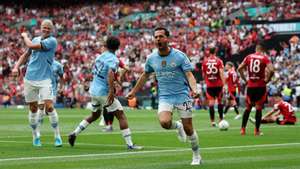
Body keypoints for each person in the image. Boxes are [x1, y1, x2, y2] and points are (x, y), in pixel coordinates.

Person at [126, 27, 202, 165]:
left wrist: (194, 89)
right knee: (164, 123)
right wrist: (133, 91)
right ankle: (177, 126)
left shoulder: (179, 56)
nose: (158, 39)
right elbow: (144, 75)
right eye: (156, 37)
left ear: (167, 39)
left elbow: (189, 75)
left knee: (189, 129)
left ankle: (196, 156)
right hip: (165, 96)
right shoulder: (151, 58)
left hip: (182, 96)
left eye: (161, 36)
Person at [68, 36, 142, 150]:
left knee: (95, 115)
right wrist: (112, 91)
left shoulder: (100, 57)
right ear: (117, 47)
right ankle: (130, 144)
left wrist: (117, 78)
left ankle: (74, 133)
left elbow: (100, 73)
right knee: (121, 116)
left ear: (106, 46)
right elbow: (110, 74)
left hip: (94, 91)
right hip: (103, 92)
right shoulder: (114, 59)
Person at [12, 19, 62, 147]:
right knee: (33, 108)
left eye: (48, 28)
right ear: (40, 28)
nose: (45, 30)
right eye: (44, 27)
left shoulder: (52, 41)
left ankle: (57, 136)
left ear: (52, 30)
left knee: (49, 107)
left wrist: (24, 36)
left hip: (45, 79)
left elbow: (31, 46)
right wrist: (16, 66)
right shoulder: (35, 39)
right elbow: (26, 54)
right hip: (30, 78)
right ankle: (35, 136)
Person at [238, 43, 274, 136]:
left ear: (256, 49)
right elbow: (272, 70)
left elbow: (239, 68)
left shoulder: (249, 57)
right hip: (260, 86)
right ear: (262, 50)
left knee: (248, 108)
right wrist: (267, 80)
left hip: (250, 86)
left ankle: (243, 129)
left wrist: (245, 79)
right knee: (258, 108)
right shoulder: (264, 58)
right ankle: (256, 131)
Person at [100, 58, 129, 132]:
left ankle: (108, 126)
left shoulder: (108, 60)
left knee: (106, 107)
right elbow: (126, 68)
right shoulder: (117, 62)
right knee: (110, 106)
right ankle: (109, 125)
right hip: (110, 87)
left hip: (108, 87)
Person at [37, 60, 64, 136]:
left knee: (48, 109)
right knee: (41, 108)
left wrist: (61, 87)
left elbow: (62, 76)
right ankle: (38, 131)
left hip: (52, 90)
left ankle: (56, 134)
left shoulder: (58, 65)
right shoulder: (41, 63)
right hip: (41, 88)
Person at [202, 48, 225, 127]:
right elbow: (221, 73)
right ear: (215, 52)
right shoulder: (219, 61)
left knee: (211, 103)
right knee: (220, 102)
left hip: (210, 85)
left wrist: (208, 80)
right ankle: (221, 120)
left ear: (209, 52)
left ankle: (212, 122)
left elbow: (203, 75)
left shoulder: (205, 61)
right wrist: (224, 84)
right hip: (218, 85)